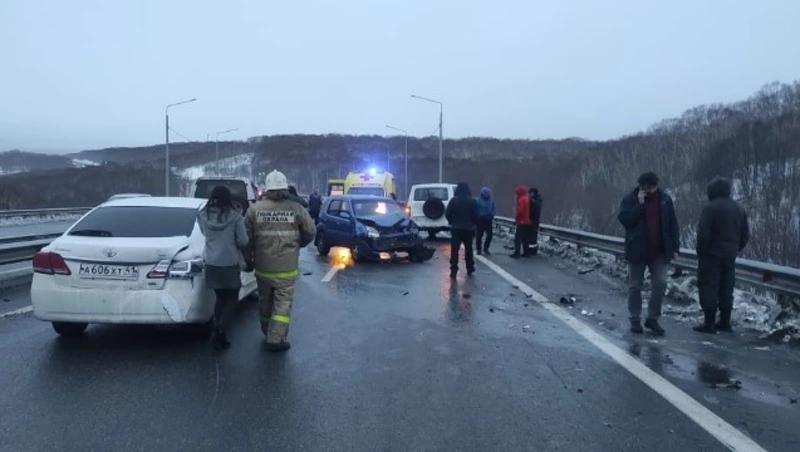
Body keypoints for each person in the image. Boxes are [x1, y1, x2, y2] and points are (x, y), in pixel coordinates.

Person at [244, 170, 316, 352]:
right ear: (284, 187)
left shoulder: (254, 210)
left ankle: (267, 330)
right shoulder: (296, 208)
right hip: (287, 266)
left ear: (267, 188)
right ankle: (275, 338)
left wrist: (248, 260)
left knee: (265, 302)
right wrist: (297, 245)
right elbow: (310, 232)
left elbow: (246, 240)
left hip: (262, 267)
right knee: (282, 304)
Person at [617, 171, 680, 336]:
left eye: (653, 187)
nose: (651, 191)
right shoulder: (630, 199)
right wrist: (640, 205)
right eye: (647, 188)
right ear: (641, 186)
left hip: (659, 250)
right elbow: (625, 220)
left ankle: (653, 318)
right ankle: (635, 318)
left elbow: (673, 223)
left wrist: (675, 248)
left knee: (660, 283)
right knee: (635, 285)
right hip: (637, 250)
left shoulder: (665, 200)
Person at [694, 177, 750, 334]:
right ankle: (725, 321)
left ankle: (709, 322)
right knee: (726, 288)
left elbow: (704, 234)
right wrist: (736, 248)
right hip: (730, 255)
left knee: (708, 286)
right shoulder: (739, 208)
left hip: (711, 255)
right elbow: (745, 234)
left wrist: (701, 251)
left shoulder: (710, 208)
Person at [197, 186, 249, 351]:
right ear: (228, 198)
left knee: (220, 298)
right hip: (229, 263)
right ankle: (220, 328)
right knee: (232, 299)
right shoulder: (235, 218)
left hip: (212, 263)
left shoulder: (203, 215)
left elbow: (204, 234)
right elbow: (243, 241)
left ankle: (220, 336)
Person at [445, 182, 479, 278]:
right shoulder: (473, 201)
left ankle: (454, 270)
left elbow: (447, 214)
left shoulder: (453, 201)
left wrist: (452, 222)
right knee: (469, 249)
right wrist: (473, 224)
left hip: (456, 229)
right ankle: (470, 267)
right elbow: (477, 216)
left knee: (454, 250)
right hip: (468, 229)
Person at [511, 185, 532, 258]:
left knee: (518, 237)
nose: (516, 194)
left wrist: (516, 219)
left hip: (521, 221)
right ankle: (526, 252)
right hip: (527, 221)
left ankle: (517, 252)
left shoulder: (521, 199)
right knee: (525, 238)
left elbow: (520, 211)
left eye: (517, 193)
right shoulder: (526, 198)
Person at [475, 187, 495, 255]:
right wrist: (478, 216)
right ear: (482, 194)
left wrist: (492, 215)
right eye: (485, 193)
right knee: (479, 235)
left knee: (490, 235)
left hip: (488, 220)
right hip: (480, 220)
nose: (487, 194)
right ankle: (478, 249)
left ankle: (486, 248)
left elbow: (493, 208)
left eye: (488, 193)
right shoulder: (477, 200)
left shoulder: (491, 200)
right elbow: (475, 209)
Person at [528, 188, 543, 255]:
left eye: (531, 193)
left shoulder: (537, 200)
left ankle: (533, 250)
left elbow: (536, 210)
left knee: (533, 236)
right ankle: (530, 249)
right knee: (530, 236)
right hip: (531, 220)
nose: (530, 195)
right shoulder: (535, 200)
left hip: (534, 221)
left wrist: (532, 202)